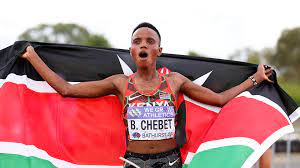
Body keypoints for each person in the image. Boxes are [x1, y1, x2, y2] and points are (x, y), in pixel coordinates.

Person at [21, 22, 273, 168]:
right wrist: (32, 57)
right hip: (134, 162)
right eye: (137, 41)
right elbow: (68, 89)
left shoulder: (175, 81)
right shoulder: (120, 83)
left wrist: (255, 79)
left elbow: (218, 99)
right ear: (131, 50)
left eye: (150, 41)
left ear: (159, 50)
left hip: (170, 162)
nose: (143, 44)